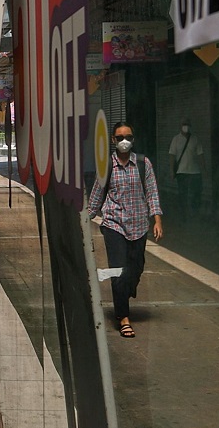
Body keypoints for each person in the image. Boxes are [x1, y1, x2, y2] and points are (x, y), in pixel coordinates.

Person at [87, 122, 163, 339]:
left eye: (128, 136)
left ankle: (125, 291)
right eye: (119, 137)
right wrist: (85, 219)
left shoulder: (142, 164)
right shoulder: (107, 166)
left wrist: (157, 220)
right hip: (114, 225)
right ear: (113, 140)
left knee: (135, 268)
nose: (124, 141)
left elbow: (152, 193)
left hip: (139, 225)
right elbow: (96, 197)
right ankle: (123, 318)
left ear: (133, 138)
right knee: (118, 270)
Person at [168, 117, 204, 220]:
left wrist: (203, 169)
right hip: (181, 172)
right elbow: (172, 155)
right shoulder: (176, 139)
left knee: (195, 194)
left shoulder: (195, 139)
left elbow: (200, 155)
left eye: (187, 124)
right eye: (184, 124)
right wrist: (171, 170)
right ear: (180, 126)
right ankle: (183, 215)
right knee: (182, 195)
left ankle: (194, 214)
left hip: (195, 172)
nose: (186, 126)